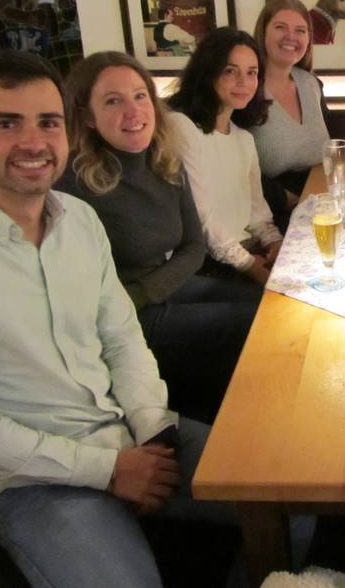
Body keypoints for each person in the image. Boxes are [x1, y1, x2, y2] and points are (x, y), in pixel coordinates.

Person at [0, 51, 238, 587]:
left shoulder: (80, 221)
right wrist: (109, 469)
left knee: (291, 499)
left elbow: (121, 340)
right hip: (32, 478)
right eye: (6, 123)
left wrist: (151, 428)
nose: (32, 142)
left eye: (48, 122)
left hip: (127, 430)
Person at [57, 51, 259, 423]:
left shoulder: (164, 158)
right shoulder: (72, 184)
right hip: (123, 319)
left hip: (153, 290)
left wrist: (150, 290)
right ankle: (229, 433)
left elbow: (193, 247)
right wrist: (140, 297)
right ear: (86, 115)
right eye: (113, 101)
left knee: (270, 308)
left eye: (140, 96)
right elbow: (80, 298)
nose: (133, 112)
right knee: (254, 328)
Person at [167, 27, 283, 283]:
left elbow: (257, 214)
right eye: (231, 71)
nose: (244, 82)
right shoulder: (182, 127)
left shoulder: (244, 139)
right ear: (208, 73)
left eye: (251, 73)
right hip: (208, 265)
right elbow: (203, 218)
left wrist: (276, 245)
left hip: (246, 252)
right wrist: (251, 266)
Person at [251, 0, 331, 229]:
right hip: (270, 217)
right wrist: (289, 200)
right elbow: (231, 168)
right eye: (280, 28)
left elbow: (330, 148)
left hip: (317, 205)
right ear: (262, 32)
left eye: (300, 30)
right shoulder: (246, 90)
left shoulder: (311, 84)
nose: (291, 37)